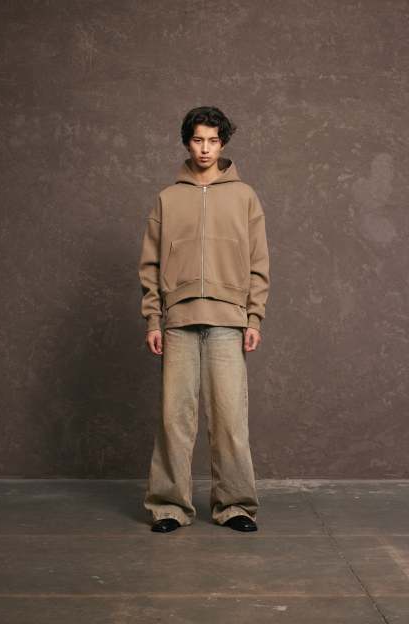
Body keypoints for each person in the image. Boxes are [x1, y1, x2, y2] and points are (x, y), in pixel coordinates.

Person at [138, 106, 270, 533]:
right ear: (187, 142)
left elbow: (258, 263)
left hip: (228, 320)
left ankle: (236, 506)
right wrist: (153, 320)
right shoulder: (168, 198)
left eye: (213, 140)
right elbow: (150, 265)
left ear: (223, 143)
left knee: (229, 418)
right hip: (178, 320)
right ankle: (169, 507)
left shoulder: (245, 196)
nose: (205, 149)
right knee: (174, 418)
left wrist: (254, 317)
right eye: (198, 140)